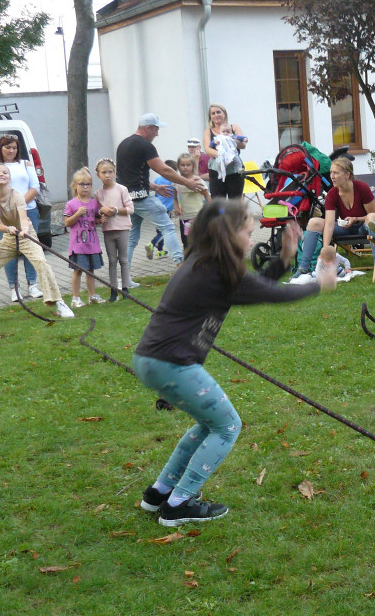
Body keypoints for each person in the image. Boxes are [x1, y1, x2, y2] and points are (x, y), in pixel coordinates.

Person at [133, 200, 336, 526]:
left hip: (153, 361)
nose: (252, 236)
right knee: (228, 426)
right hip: (172, 363)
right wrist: (318, 284)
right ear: (228, 235)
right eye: (247, 231)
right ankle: (179, 504)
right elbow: (272, 293)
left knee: (208, 424)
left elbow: (257, 286)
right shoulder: (214, 272)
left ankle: (159, 493)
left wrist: (285, 258)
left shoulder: (206, 264)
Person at [0, 164, 74, 324]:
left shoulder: (17, 195)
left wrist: (24, 229)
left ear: (9, 178)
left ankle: (59, 303)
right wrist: (8, 229)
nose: (1, 175)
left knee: (41, 263)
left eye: (5, 172)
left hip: (27, 235)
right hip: (9, 238)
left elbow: (24, 218)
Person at [117, 113, 204, 277]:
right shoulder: (145, 146)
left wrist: (156, 187)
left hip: (127, 200)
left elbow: (129, 177)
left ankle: (124, 278)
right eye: (156, 129)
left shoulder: (123, 144)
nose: (157, 134)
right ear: (148, 128)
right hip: (142, 199)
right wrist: (188, 182)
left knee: (132, 238)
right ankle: (181, 266)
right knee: (168, 227)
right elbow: (164, 170)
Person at [292, 156, 375, 277]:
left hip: (363, 227)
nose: (332, 176)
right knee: (314, 222)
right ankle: (303, 267)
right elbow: (329, 224)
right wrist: (326, 251)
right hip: (344, 229)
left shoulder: (362, 188)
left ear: (347, 175)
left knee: (371, 218)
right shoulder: (332, 193)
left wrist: (355, 219)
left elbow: (374, 215)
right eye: (331, 173)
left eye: (336, 173)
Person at [0, 134, 41, 301]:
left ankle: (32, 284)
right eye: (7, 147)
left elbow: (35, 186)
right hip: (5, 215)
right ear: (0, 148)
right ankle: (14, 287)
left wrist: (20, 204)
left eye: (14, 148)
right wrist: (9, 207)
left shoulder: (25, 164)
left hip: (28, 210)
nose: (11, 151)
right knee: (10, 251)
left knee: (31, 247)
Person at [63, 167, 105, 307]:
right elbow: (67, 223)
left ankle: (92, 296)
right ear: (75, 185)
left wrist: (100, 220)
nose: (86, 187)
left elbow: (94, 219)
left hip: (92, 244)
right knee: (78, 271)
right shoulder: (71, 204)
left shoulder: (94, 203)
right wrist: (77, 214)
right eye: (82, 184)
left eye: (88, 184)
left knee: (91, 271)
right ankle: (75, 298)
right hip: (78, 245)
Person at [94, 158, 134, 302]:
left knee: (123, 259)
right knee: (112, 260)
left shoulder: (121, 189)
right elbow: (96, 210)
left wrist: (116, 210)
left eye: (110, 172)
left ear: (115, 172)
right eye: (104, 172)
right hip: (108, 230)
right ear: (98, 175)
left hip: (122, 229)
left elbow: (130, 209)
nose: (107, 175)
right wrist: (102, 211)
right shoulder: (98, 193)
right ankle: (113, 289)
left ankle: (125, 287)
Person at [203, 103, 248, 199]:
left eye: (218, 112)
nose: (216, 115)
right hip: (216, 170)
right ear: (210, 117)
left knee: (235, 202)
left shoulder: (234, 127)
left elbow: (243, 145)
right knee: (218, 202)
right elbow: (207, 149)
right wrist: (222, 156)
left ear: (224, 114)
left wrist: (230, 140)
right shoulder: (208, 131)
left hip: (234, 170)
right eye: (213, 113)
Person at [174, 151, 210, 249]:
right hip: (184, 218)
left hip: (198, 217)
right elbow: (175, 198)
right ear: (178, 166)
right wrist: (176, 207)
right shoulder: (177, 182)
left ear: (193, 166)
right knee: (186, 242)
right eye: (182, 165)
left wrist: (208, 211)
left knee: (199, 241)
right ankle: (188, 257)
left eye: (188, 165)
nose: (185, 167)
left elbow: (207, 196)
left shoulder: (198, 181)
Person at [147, 159, 179, 260]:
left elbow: (153, 191)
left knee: (160, 230)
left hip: (156, 207)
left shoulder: (157, 180)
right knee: (165, 231)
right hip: (167, 209)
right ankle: (152, 244)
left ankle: (160, 251)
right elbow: (178, 196)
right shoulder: (174, 181)